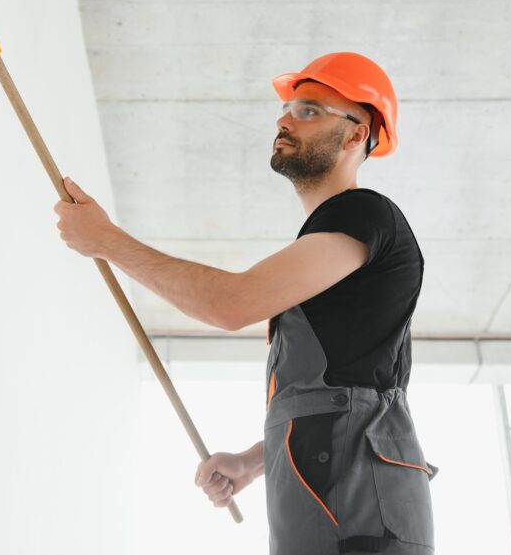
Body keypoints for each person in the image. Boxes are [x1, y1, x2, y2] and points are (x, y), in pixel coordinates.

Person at [54, 52, 436, 555]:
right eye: (287, 109)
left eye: (309, 110)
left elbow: (230, 304)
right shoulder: (332, 249)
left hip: (358, 510)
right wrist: (253, 461)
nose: (284, 119)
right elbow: (349, 385)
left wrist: (108, 241)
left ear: (355, 134)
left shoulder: (365, 215)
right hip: (329, 501)